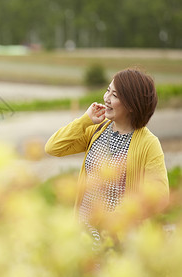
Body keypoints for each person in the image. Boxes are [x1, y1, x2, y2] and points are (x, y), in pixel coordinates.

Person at [45, 68, 169, 248]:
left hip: (118, 241)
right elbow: (53, 147)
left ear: (132, 104)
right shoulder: (98, 130)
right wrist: (85, 120)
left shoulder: (148, 143)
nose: (106, 98)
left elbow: (159, 196)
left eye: (115, 95)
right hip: (82, 235)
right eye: (107, 90)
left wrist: (114, 218)